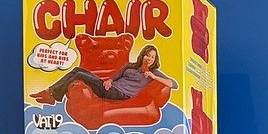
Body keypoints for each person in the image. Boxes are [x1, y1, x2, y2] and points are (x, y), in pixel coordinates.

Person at [30, 44, 177, 105]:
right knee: (77, 70)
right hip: (109, 87)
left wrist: (154, 77)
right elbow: (116, 76)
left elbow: (174, 84)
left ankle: (53, 95)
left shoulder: (154, 73)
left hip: (120, 94)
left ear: (155, 59)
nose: (149, 58)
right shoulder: (130, 65)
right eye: (147, 55)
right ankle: (51, 93)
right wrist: (109, 80)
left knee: (78, 75)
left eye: (152, 57)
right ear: (142, 55)